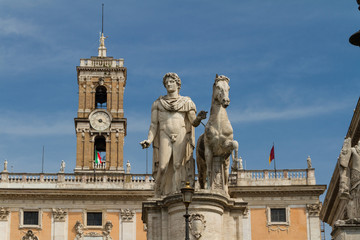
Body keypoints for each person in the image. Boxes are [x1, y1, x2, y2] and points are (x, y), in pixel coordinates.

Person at [140, 72, 206, 196]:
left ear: (177, 84)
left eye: (171, 82)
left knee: (178, 165)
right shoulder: (158, 103)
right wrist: (149, 140)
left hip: (181, 133)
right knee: (163, 166)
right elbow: (153, 125)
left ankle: (176, 193)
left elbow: (193, 122)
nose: (169, 84)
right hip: (164, 134)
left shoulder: (186, 102)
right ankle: (158, 192)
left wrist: (199, 118)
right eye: (166, 83)